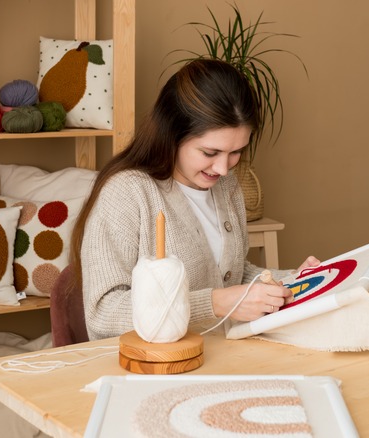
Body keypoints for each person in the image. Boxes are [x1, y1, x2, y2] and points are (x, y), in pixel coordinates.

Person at [69, 59, 319, 340]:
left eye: (236, 152)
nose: (224, 169)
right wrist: (214, 303)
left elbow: (231, 274)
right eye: (210, 153)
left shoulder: (226, 187)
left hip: (224, 355)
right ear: (173, 134)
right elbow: (103, 313)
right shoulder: (127, 193)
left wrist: (291, 281)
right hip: (153, 369)